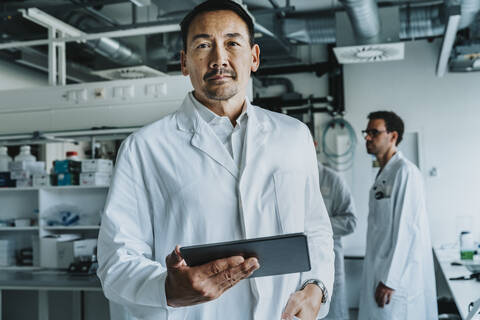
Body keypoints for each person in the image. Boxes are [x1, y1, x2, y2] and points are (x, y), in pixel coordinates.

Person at [97, 1, 335, 319]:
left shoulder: (293, 135)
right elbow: (116, 261)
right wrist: (166, 288)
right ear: (184, 62)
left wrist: (316, 285)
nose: (219, 58)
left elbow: (316, 228)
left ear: (254, 57)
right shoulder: (144, 148)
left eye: (232, 43)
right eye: (203, 45)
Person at [358, 111, 438, 320]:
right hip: (379, 272)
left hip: (395, 282)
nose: (367, 137)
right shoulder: (384, 174)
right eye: (366, 132)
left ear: (393, 136)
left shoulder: (405, 172)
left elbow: (407, 230)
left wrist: (389, 280)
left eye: (374, 132)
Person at [317, 162, 357, 320]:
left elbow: (351, 221)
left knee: (334, 314)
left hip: (329, 262)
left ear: (313, 144)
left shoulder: (333, 180)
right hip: (298, 266)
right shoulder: (292, 178)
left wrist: (317, 225)